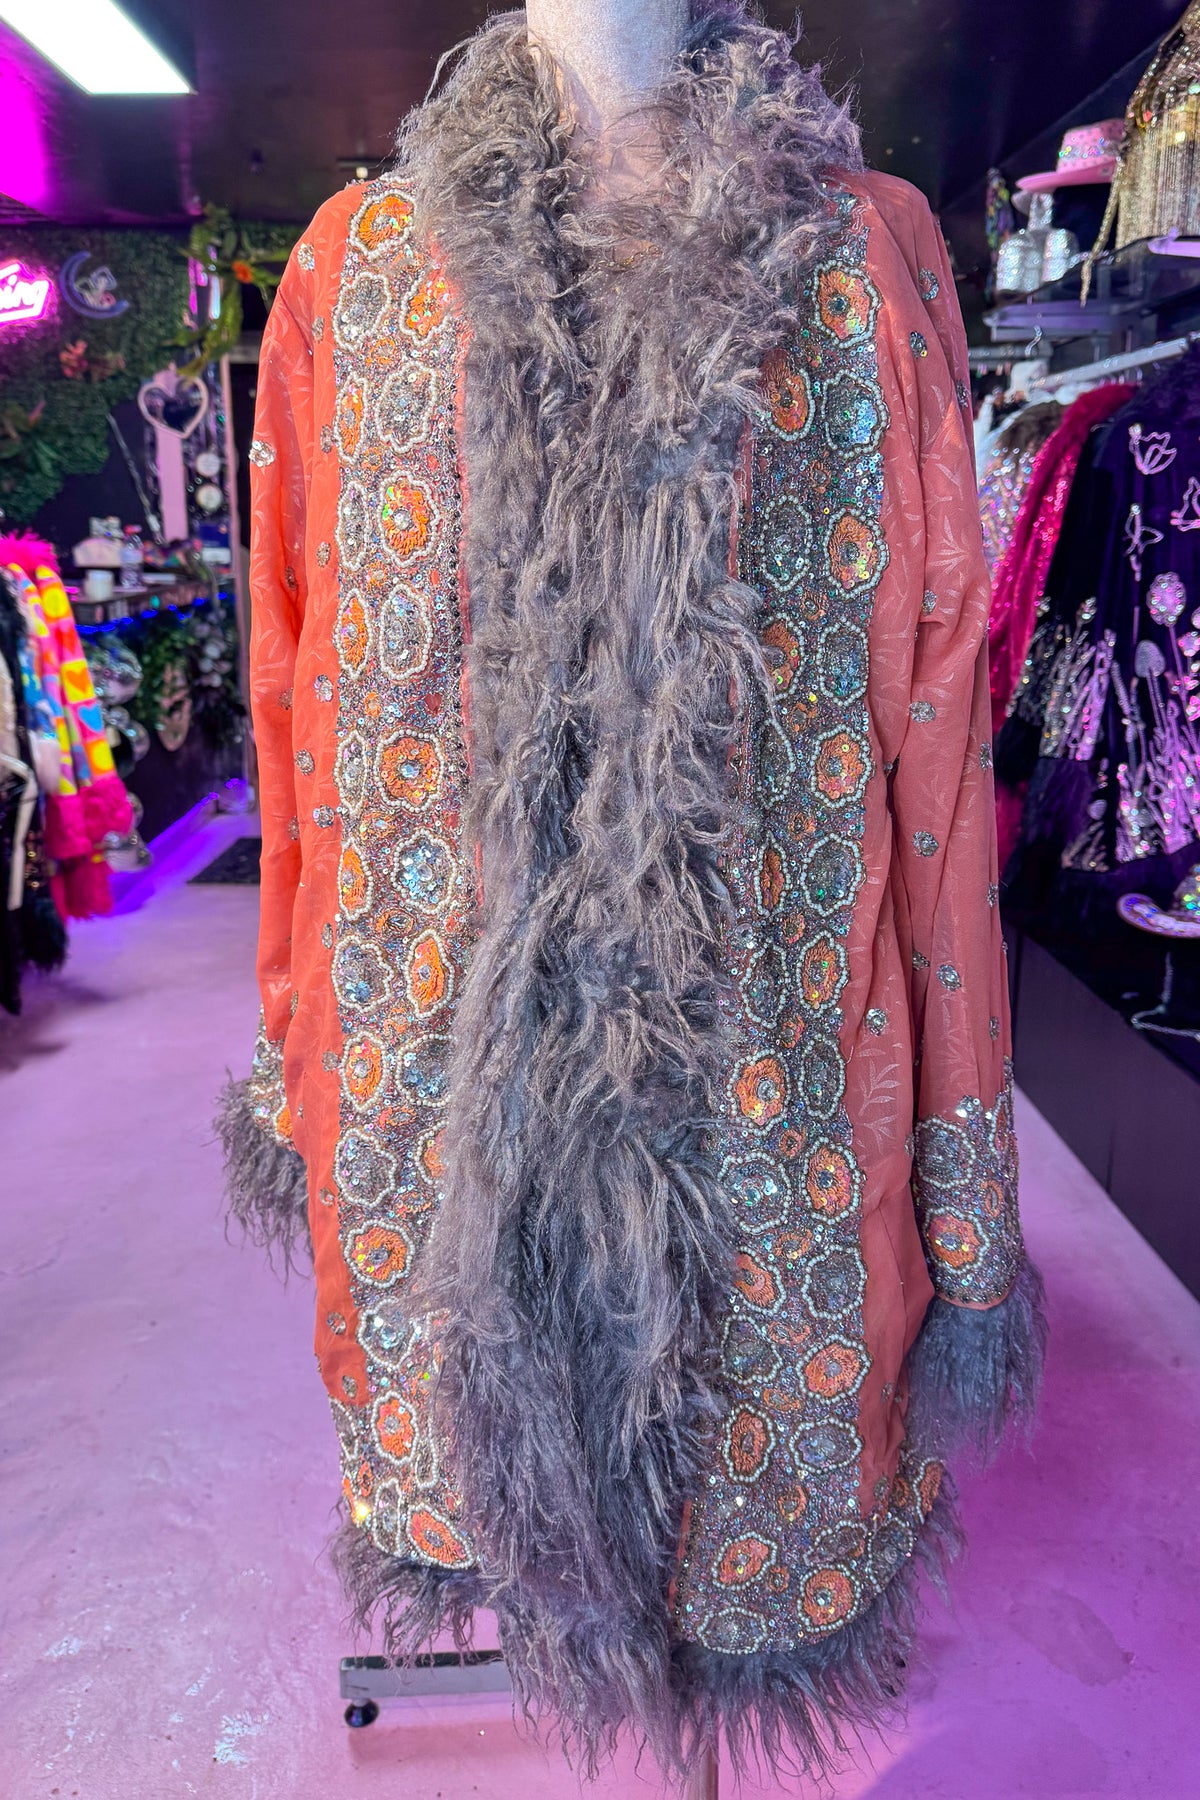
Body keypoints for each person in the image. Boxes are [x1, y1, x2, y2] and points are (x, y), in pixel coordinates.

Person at [221, 0, 1045, 1777]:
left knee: (755, 1442)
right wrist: (300, 1054)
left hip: (778, 1088)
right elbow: (300, 717)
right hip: (447, 1106)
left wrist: (963, 1191)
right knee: (496, 1451)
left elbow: (933, 733)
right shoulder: (354, 276)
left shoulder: (867, 253)